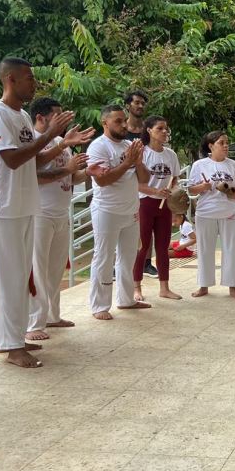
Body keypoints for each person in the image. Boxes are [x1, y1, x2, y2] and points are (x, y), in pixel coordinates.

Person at [0, 57, 76, 367]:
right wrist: (51, 135)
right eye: (28, 78)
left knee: (22, 276)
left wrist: (59, 145)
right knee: (7, 278)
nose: (34, 84)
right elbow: (11, 159)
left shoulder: (21, 116)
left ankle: (13, 338)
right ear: (10, 79)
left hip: (24, 205)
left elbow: (33, 161)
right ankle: (9, 346)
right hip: (4, 207)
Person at [26, 97, 94, 341]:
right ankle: (34, 323)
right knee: (37, 270)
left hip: (61, 213)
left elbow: (71, 177)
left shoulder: (62, 143)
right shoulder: (32, 141)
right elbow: (35, 175)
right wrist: (68, 169)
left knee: (55, 270)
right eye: (58, 115)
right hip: (40, 213)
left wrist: (88, 172)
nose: (64, 120)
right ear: (41, 117)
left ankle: (52, 316)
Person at [86, 104, 152, 320]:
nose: (124, 125)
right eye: (118, 121)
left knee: (128, 257)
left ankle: (126, 299)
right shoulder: (98, 147)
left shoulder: (129, 145)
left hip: (130, 210)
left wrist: (139, 162)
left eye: (124, 120)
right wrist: (128, 163)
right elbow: (103, 180)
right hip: (106, 210)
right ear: (104, 123)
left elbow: (144, 179)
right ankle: (99, 306)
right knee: (103, 257)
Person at [188, 130, 235, 298]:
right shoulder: (200, 165)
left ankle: (232, 286)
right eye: (222, 143)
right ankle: (204, 285)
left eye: (227, 142)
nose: (226, 146)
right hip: (206, 212)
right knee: (205, 249)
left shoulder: (234, 165)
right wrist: (203, 187)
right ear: (211, 146)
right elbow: (191, 188)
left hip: (230, 211)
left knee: (231, 249)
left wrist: (233, 192)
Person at [134, 115, 181, 302]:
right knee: (142, 246)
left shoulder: (171, 155)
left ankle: (165, 287)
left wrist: (173, 191)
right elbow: (135, 183)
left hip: (165, 205)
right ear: (149, 130)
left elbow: (175, 179)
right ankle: (136, 287)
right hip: (145, 203)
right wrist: (154, 190)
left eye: (166, 128)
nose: (164, 132)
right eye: (160, 128)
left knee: (163, 246)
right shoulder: (142, 153)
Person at [124, 89, 157, 278]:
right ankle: (117, 263)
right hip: (124, 180)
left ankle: (146, 262)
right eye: (136, 102)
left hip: (145, 179)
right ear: (128, 105)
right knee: (123, 224)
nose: (140, 106)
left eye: (143, 103)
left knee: (147, 224)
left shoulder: (147, 130)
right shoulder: (122, 129)